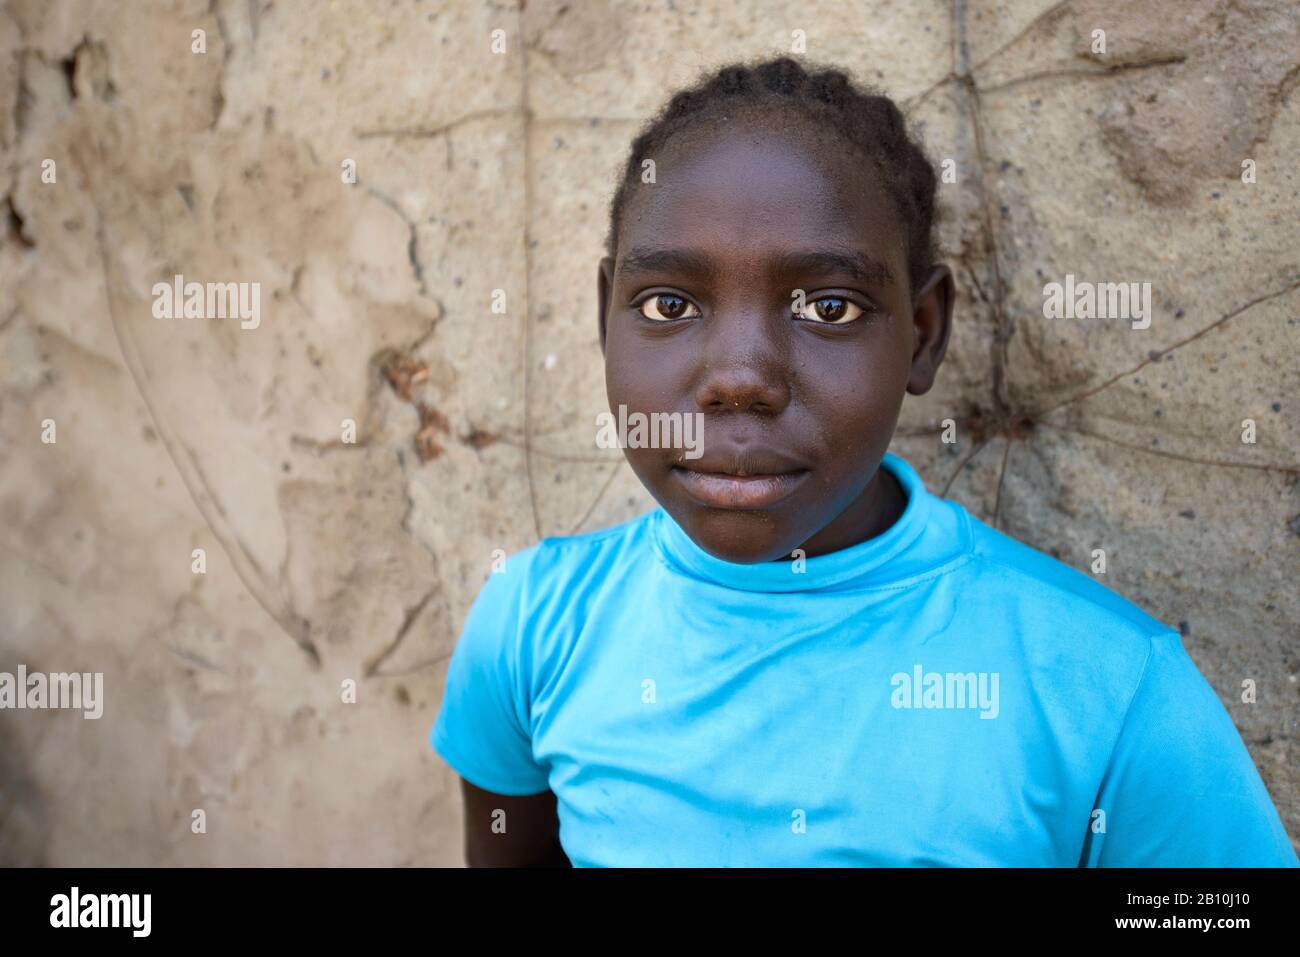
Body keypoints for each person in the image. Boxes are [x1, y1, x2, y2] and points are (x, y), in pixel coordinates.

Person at [430, 55, 1298, 867]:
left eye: (829, 306)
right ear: (604, 316)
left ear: (923, 334)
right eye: (667, 301)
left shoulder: (1112, 692)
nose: (740, 379)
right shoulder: (534, 629)